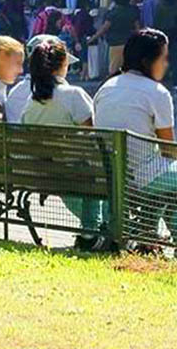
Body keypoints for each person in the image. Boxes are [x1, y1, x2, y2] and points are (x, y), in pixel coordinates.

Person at [94, 29, 177, 252]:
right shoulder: (156, 92)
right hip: (142, 176)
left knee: (167, 181)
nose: (166, 64)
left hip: (114, 176)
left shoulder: (106, 88)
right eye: (164, 58)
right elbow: (169, 148)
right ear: (147, 61)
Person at [17, 35, 109, 252]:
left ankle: (91, 232)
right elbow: (93, 136)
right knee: (99, 169)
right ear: (62, 64)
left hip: (47, 172)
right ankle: (93, 231)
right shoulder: (73, 95)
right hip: (79, 172)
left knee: (86, 171)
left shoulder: (30, 103)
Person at [91, 0, 141, 76]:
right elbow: (138, 28)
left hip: (115, 44)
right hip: (130, 43)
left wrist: (93, 38)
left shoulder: (113, 13)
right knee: (129, 70)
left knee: (114, 70)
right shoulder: (133, 12)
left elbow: (104, 28)